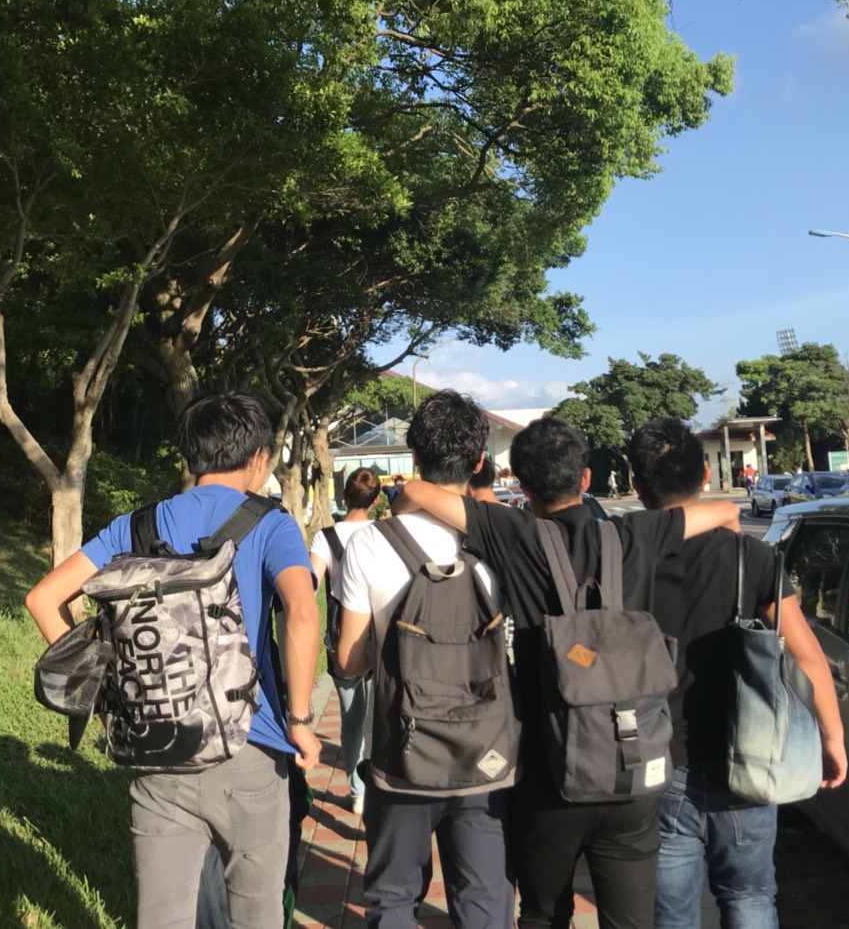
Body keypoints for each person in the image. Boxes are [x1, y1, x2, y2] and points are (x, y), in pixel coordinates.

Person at [399, 417, 741, 929]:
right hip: (631, 768)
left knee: (543, 914)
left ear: (521, 483)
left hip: (548, 773)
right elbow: (727, 511)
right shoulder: (635, 533)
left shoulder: (510, 531)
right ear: (585, 477)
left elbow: (414, 491)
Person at [24, 392, 321, 929]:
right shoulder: (271, 524)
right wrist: (300, 720)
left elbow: (43, 599)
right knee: (256, 913)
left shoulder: (136, 526)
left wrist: (104, 688)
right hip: (251, 748)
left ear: (190, 454)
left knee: (162, 919)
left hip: (157, 749)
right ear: (258, 457)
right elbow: (301, 611)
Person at [626, 419, 846, 929]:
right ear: (705, 475)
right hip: (749, 752)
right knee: (749, 895)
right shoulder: (751, 556)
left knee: (671, 912)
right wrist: (831, 737)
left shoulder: (623, 558)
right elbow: (808, 657)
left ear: (636, 484)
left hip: (656, 759)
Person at [335, 391, 514, 929]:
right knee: (485, 898)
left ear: (414, 458)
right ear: (479, 462)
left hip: (401, 752)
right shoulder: (504, 539)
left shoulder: (370, 544)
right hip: (488, 752)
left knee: (393, 898)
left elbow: (349, 661)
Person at [309, 467, 383, 814]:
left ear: (344, 496)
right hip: (381, 634)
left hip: (342, 638)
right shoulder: (384, 533)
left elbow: (310, 584)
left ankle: (358, 792)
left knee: (352, 719)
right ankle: (383, 783)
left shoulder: (325, 537)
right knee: (382, 714)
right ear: (376, 500)